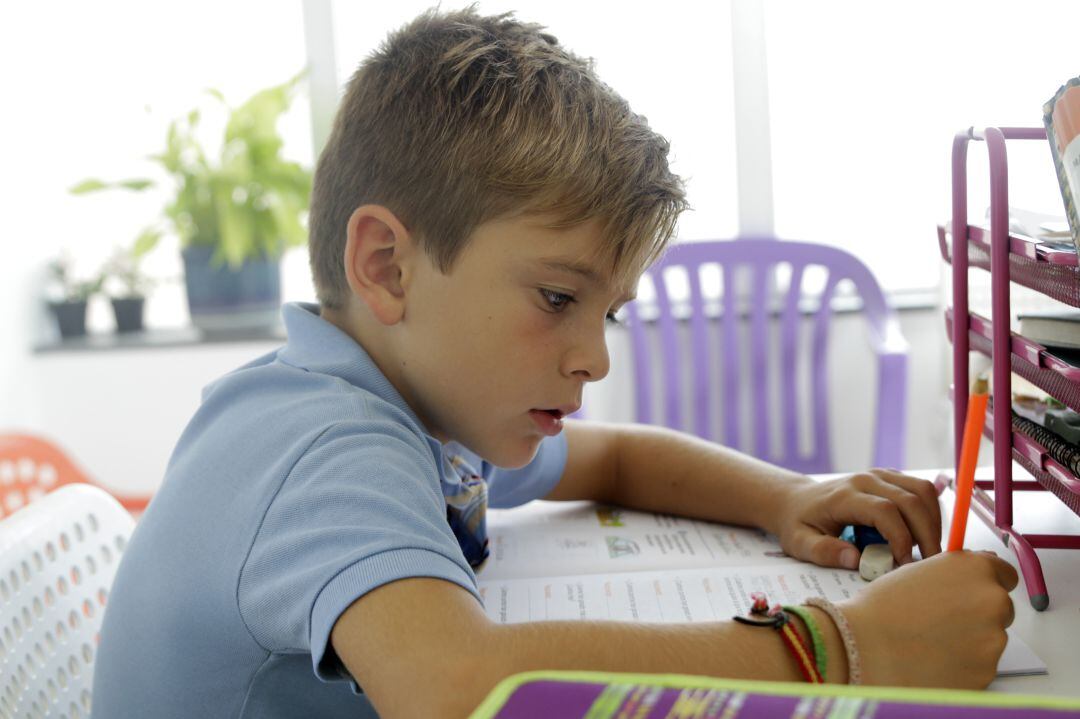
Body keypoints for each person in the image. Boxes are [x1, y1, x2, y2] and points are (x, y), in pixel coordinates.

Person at [92, 7, 1018, 718]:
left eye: (608, 311)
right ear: (387, 267)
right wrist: (839, 648)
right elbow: (458, 688)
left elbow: (615, 458)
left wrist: (784, 496)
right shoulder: (320, 440)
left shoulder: (428, 408)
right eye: (556, 299)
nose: (594, 358)